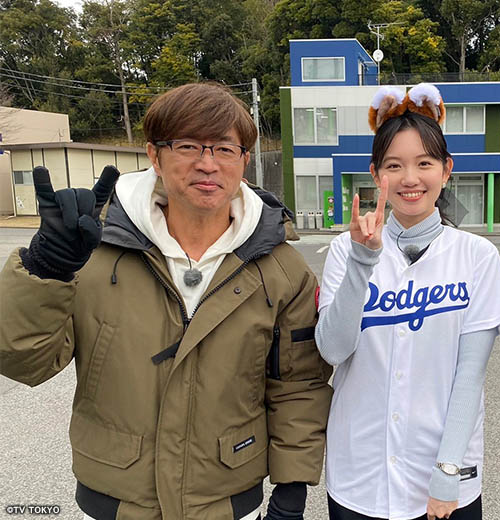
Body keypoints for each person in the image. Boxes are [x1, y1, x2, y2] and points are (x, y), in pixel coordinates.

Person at [0, 82, 332, 520]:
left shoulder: (282, 268)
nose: (207, 164)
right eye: (188, 145)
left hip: (229, 498)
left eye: (224, 149)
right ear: (154, 156)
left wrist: (292, 491)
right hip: (114, 500)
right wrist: (47, 268)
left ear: (244, 161)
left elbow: (298, 386)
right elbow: (24, 363)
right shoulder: (92, 253)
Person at [315, 84, 500, 520]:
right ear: (375, 174)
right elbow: (333, 350)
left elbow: (470, 375)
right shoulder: (345, 251)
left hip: (443, 478)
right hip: (359, 473)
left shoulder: (477, 256)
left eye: (424, 163)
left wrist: (448, 470)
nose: (409, 178)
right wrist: (363, 261)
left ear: (446, 170)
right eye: (394, 165)